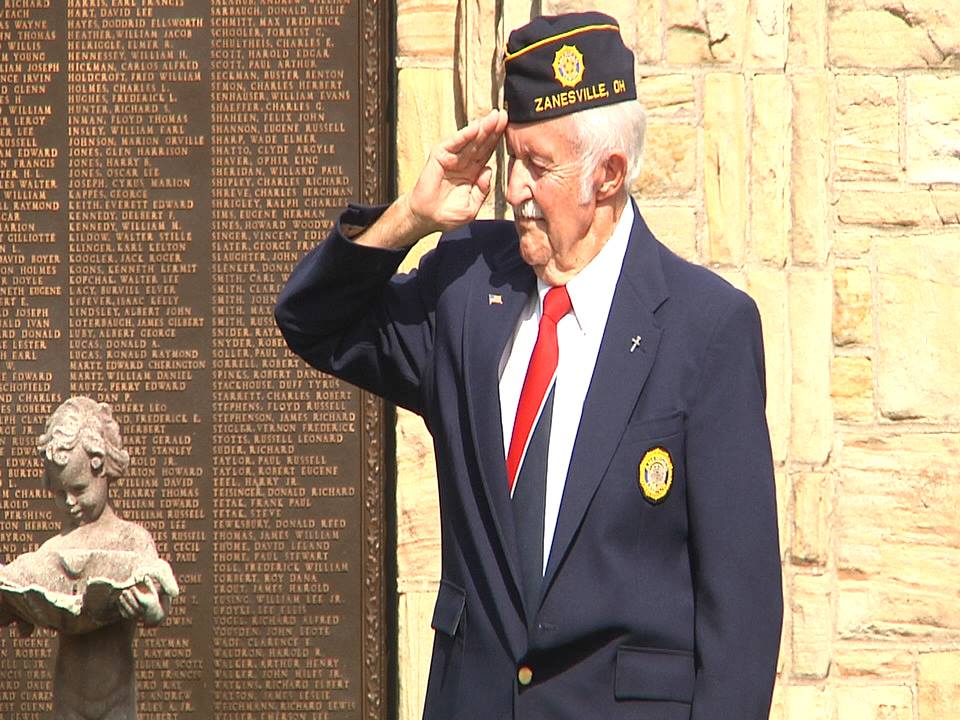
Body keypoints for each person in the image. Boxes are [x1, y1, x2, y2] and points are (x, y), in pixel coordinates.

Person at [276, 11, 782, 719]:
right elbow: (313, 321)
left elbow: (742, 613)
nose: (513, 188)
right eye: (513, 159)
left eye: (538, 168)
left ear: (607, 175)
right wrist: (411, 218)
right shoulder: (465, 288)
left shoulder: (707, 329)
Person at [0, 397, 176, 720]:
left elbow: (160, 596)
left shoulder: (131, 539)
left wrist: (153, 610)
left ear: (103, 470)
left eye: (79, 489)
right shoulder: (54, 550)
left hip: (116, 699)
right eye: (58, 492)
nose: (69, 502)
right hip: (68, 699)